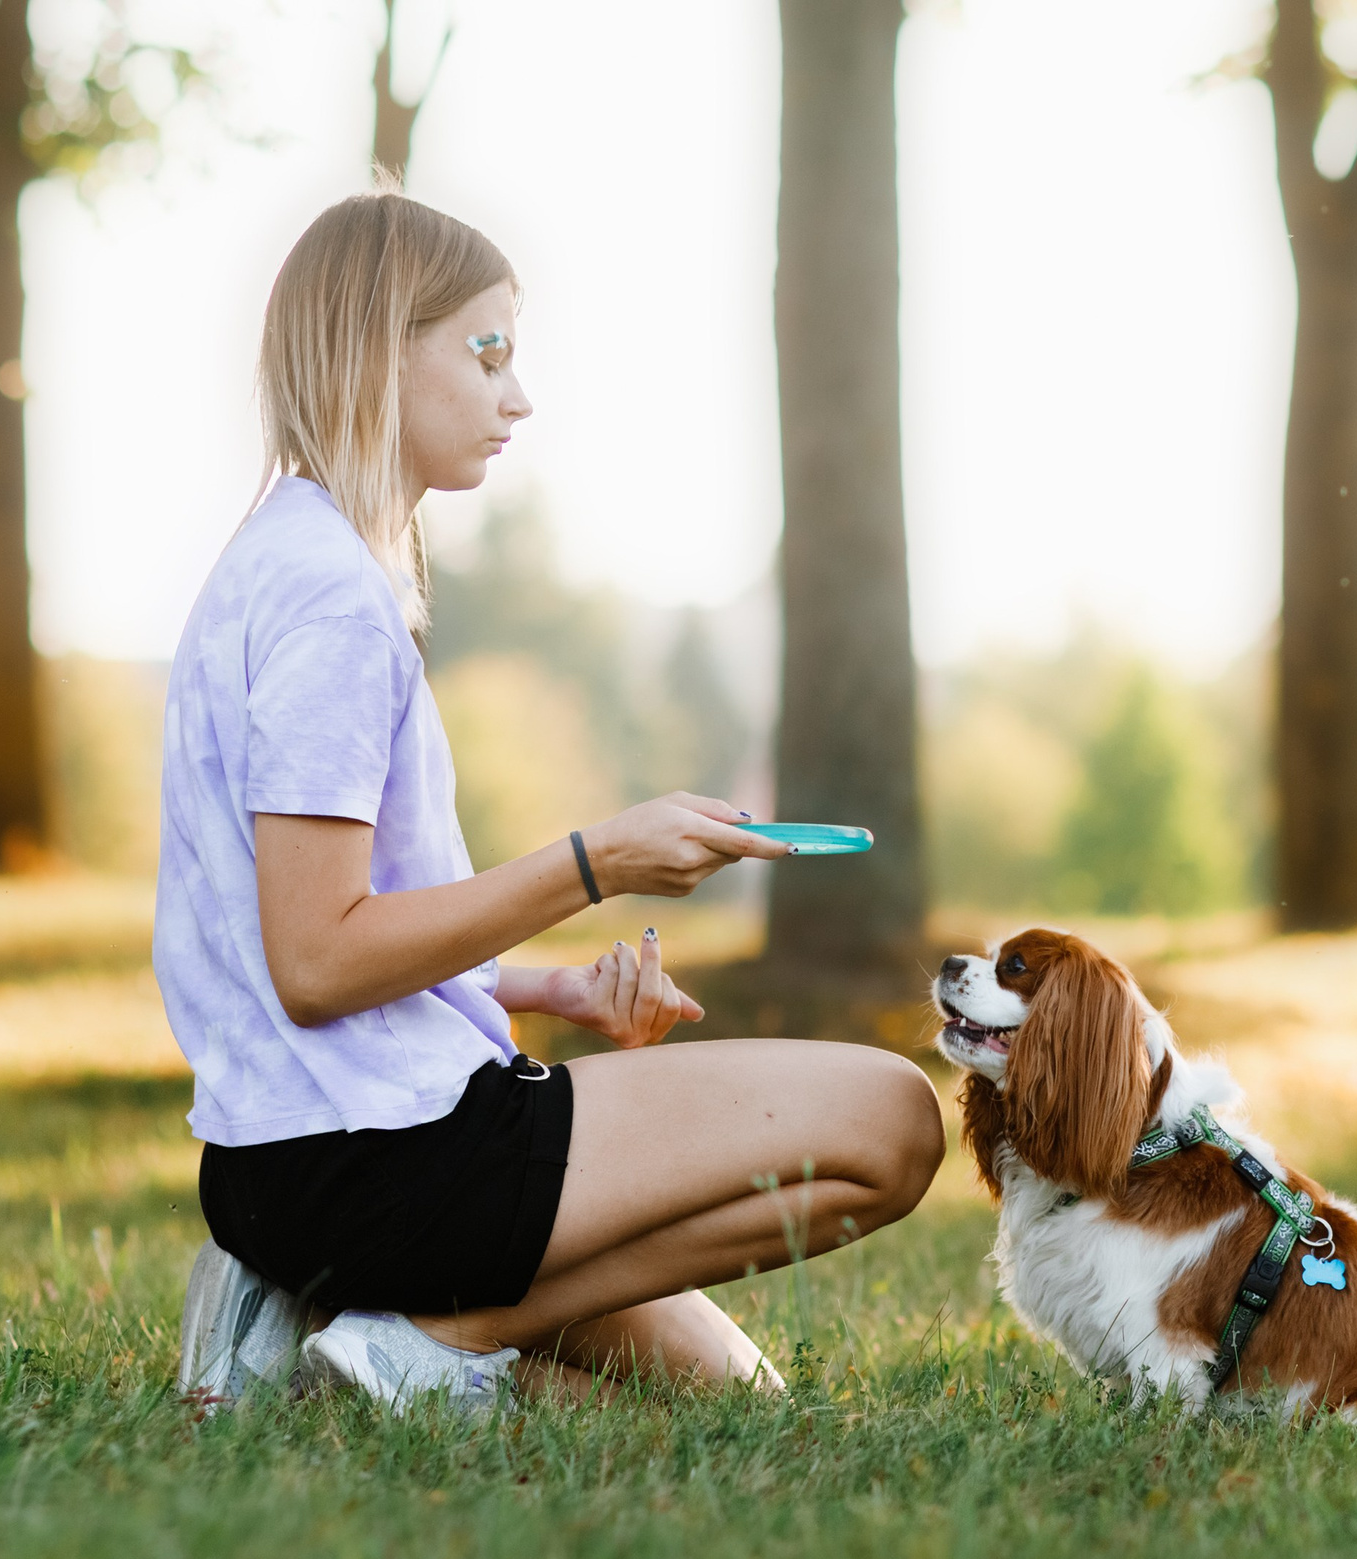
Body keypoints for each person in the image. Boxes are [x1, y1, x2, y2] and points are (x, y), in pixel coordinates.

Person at [158, 188, 945, 1412]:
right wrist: (595, 861)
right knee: (894, 1118)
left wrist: (542, 988)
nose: (515, 396)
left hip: (297, 1164)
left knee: (732, 1403)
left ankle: (328, 1320)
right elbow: (313, 959)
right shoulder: (330, 602)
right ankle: (417, 1335)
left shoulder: (275, 562)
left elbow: (303, 940)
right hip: (386, 1163)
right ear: (378, 348)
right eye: (486, 353)